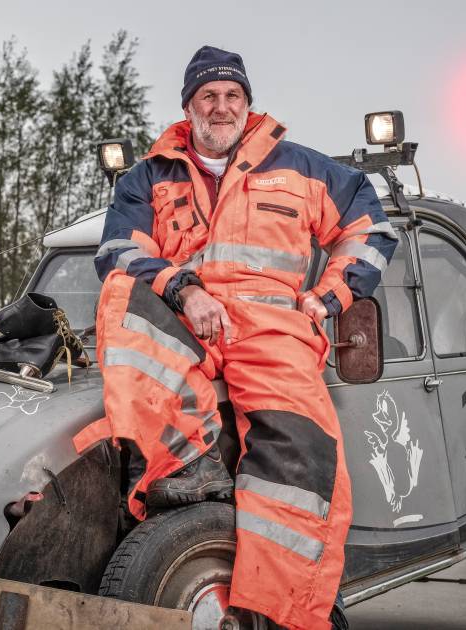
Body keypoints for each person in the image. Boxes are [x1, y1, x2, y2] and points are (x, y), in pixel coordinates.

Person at [74, 45, 396, 630]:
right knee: (123, 295)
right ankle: (185, 466)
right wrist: (183, 289)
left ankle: (288, 613)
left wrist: (327, 298)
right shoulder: (148, 176)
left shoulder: (303, 167)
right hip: (184, 314)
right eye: (208, 97)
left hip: (272, 324)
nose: (221, 108)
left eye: (232, 97)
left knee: (305, 457)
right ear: (189, 106)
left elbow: (371, 226)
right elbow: (118, 251)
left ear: (247, 104)